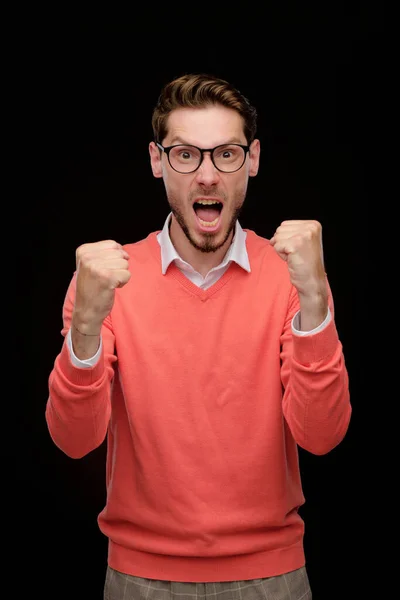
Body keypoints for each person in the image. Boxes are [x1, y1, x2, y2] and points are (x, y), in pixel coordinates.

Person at [45, 72, 352, 599]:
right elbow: (75, 442)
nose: (207, 176)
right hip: (138, 579)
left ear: (252, 160)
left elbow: (322, 436)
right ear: (156, 161)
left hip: (272, 578)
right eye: (186, 154)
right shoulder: (107, 278)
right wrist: (87, 329)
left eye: (226, 155)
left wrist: (316, 302)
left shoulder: (292, 276)